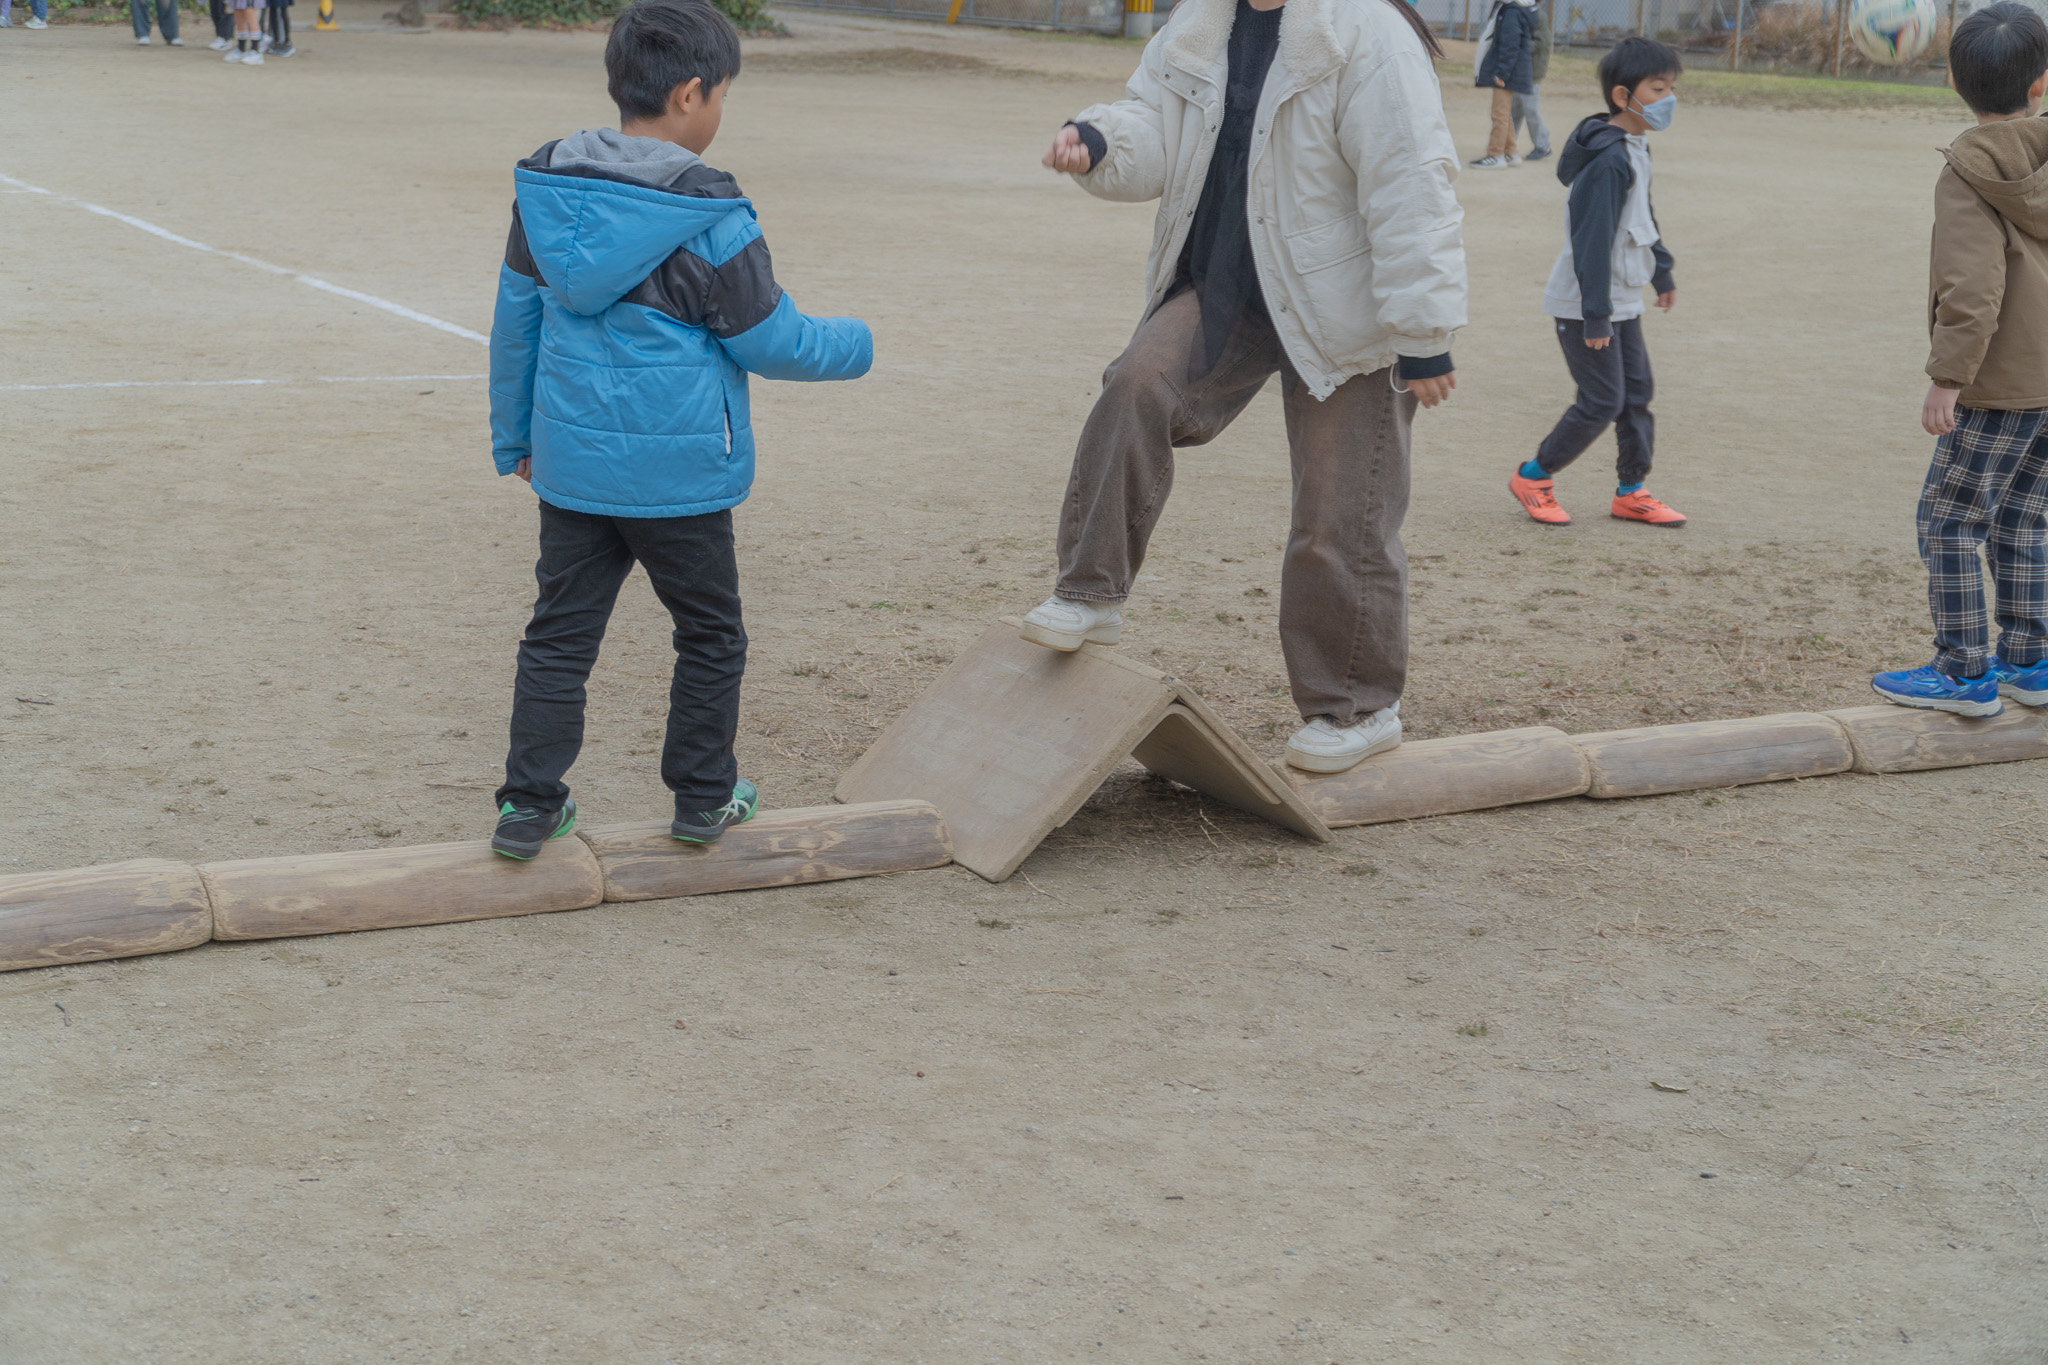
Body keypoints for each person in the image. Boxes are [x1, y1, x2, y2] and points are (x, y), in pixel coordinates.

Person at [1027, 0, 1466, 775]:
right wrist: (1097, 140)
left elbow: (1411, 178)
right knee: (1136, 384)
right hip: (1229, 280)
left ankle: (1357, 707)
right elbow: (1153, 124)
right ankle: (1089, 594)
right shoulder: (1202, 21)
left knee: (1337, 515)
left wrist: (1423, 334)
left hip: (1347, 306)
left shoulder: (1361, 29)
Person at [485, 0, 873, 859]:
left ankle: (527, 805)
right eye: (724, 93)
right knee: (710, 634)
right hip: (681, 482)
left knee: (558, 635)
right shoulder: (712, 215)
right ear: (692, 94)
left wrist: (513, 438)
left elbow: (516, 324)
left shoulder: (549, 197)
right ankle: (702, 797)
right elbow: (774, 341)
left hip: (575, 470)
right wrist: (859, 343)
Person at [1872, 2, 2048, 716]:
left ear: (1952, 78)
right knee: (2027, 519)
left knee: (1948, 520)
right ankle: (2031, 661)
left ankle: (1964, 670)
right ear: (2042, 83)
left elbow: (1972, 289)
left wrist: (1949, 378)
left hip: (2002, 385)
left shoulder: (1968, 171)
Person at [1509, 36, 1686, 528]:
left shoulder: (1634, 145)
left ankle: (1632, 490)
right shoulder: (1608, 160)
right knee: (1602, 400)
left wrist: (1662, 270)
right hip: (1587, 302)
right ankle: (1533, 476)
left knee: (1636, 392)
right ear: (1622, 97)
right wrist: (1595, 314)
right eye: (1657, 88)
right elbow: (1592, 241)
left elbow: (1642, 216)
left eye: (1671, 87)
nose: (1668, 98)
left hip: (1622, 295)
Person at [1470, 0, 1537, 170]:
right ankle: (1510, 152)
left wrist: (1502, 73)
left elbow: (1510, 45)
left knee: (1498, 113)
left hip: (1508, 73)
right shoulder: (1513, 9)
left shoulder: (1511, 12)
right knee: (1504, 113)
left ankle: (1495, 155)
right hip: (1511, 71)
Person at [1514, 0, 1553, 162]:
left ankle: (1543, 145)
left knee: (1530, 108)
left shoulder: (1539, 16)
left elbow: (1542, 43)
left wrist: (1519, 45)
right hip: (1522, 70)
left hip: (1533, 71)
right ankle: (1508, 143)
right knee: (1514, 108)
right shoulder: (1526, 12)